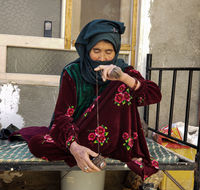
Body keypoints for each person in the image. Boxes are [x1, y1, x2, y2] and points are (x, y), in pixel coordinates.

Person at [16, 19, 162, 180]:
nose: (102, 57)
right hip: (83, 136)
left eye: (109, 51)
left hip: (118, 139)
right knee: (38, 143)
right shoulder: (73, 73)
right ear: (87, 50)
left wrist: (123, 77)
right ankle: (89, 152)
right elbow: (62, 116)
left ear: (116, 51)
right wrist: (74, 147)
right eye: (96, 50)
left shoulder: (123, 71)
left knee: (120, 86)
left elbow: (154, 95)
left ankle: (104, 152)